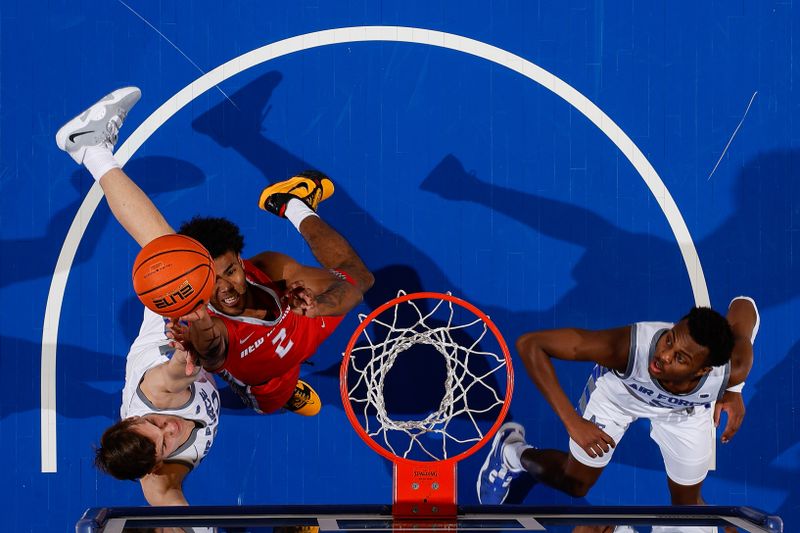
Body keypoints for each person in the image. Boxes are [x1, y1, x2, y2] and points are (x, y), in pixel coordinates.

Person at [55, 86, 371, 500]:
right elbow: (169, 506)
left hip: (182, 340)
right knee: (267, 389)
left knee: (168, 251)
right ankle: (277, 384)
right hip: (242, 363)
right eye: (165, 442)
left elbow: (181, 371)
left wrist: (190, 349)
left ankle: (91, 148)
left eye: (153, 424)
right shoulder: (159, 479)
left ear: (132, 420)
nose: (168, 426)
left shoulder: (161, 389)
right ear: (155, 465)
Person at [477, 297, 759, 509]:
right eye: (669, 340)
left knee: (687, 504)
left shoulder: (734, 367)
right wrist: (573, 423)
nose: (664, 355)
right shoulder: (626, 348)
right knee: (575, 484)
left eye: (680, 358)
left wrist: (734, 388)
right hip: (620, 397)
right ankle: (511, 452)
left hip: (685, 412)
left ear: (703, 370)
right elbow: (530, 344)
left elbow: (745, 306)